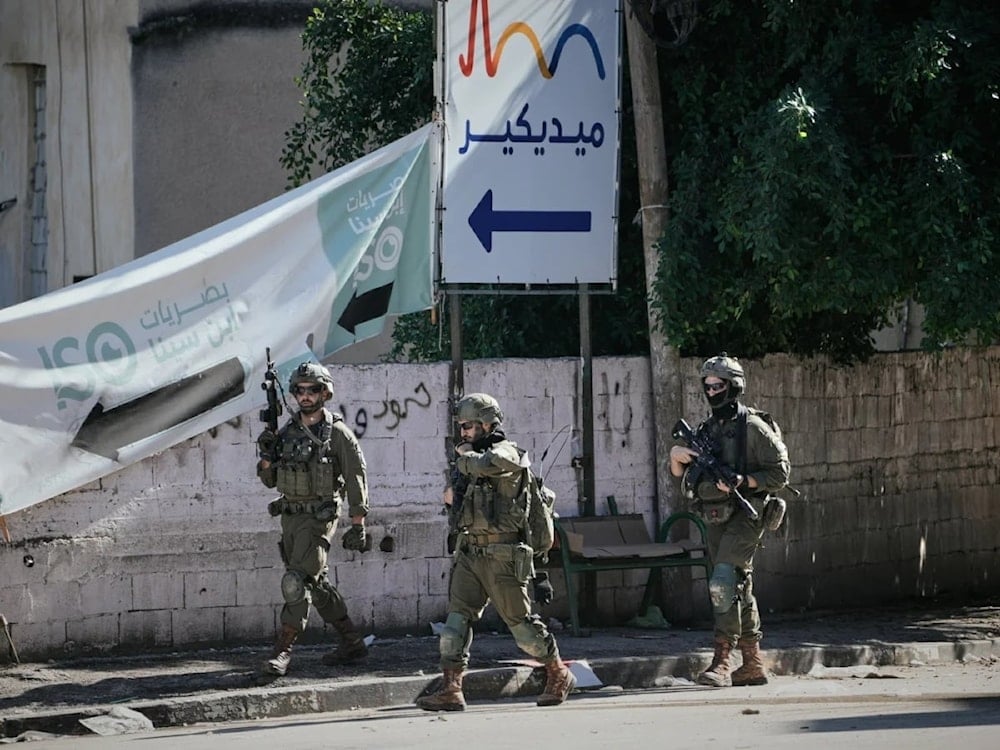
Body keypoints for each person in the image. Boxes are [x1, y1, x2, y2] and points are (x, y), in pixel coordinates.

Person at [416, 393, 575, 711]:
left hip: (503, 555)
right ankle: (451, 689)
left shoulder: (507, 452)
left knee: (522, 627)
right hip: (470, 552)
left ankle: (558, 672)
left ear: (487, 424)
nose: (463, 432)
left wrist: (464, 458)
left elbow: (492, 464)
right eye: (461, 427)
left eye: (469, 426)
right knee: (455, 623)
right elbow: (458, 496)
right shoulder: (471, 458)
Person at [669, 354, 790, 687]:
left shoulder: (752, 427)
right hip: (715, 515)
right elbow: (685, 479)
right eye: (707, 386)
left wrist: (743, 481)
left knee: (722, 581)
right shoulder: (707, 430)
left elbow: (780, 472)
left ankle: (722, 660)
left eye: (718, 386)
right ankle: (752, 662)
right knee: (738, 584)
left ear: (733, 387)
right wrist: (677, 458)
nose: (712, 392)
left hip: (748, 514)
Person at [255, 361, 371, 678]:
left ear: (325, 393)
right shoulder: (286, 433)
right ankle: (351, 641)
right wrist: (266, 455)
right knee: (316, 584)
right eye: (301, 390)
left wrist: (358, 522)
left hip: (320, 518)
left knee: (296, 582)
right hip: (291, 518)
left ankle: (283, 650)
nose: (306, 396)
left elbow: (356, 476)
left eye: (313, 390)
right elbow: (269, 480)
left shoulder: (337, 434)